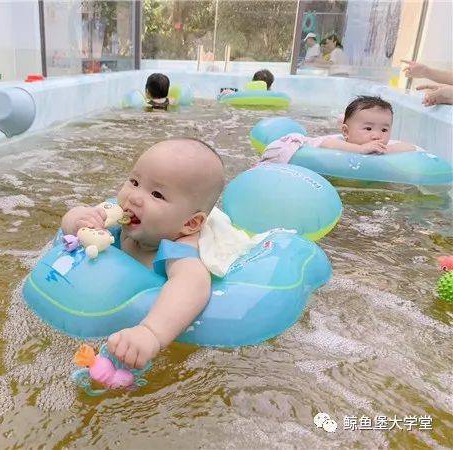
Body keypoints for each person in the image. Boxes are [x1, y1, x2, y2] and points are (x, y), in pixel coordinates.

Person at [61, 139, 225, 369]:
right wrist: (78, 221)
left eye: (157, 194)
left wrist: (150, 333)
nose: (135, 197)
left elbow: (193, 285)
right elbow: (73, 218)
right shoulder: (118, 220)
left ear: (189, 223)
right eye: (135, 181)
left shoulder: (177, 248)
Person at [261, 96, 415, 164]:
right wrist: (361, 149)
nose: (376, 135)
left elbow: (411, 148)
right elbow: (328, 144)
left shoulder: (380, 146)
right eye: (368, 128)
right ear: (346, 132)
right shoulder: (338, 142)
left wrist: (387, 150)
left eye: (384, 130)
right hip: (300, 150)